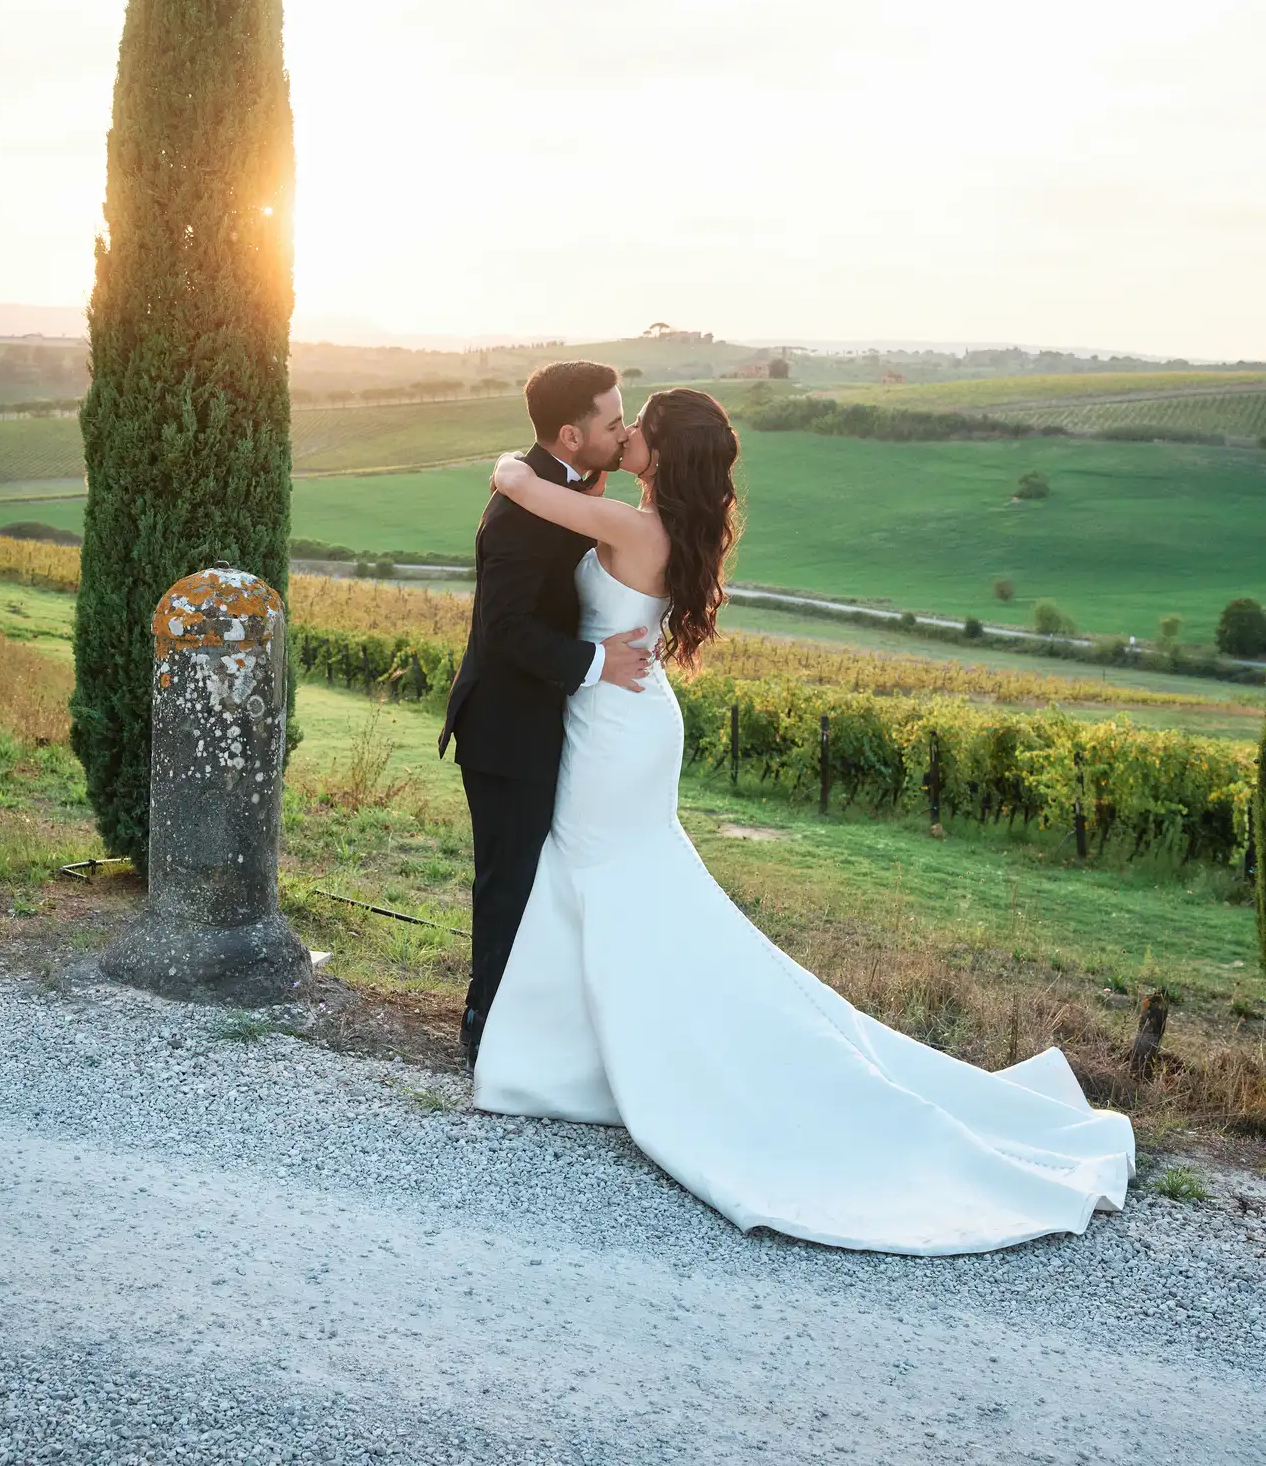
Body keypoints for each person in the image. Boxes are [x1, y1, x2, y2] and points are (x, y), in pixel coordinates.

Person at [472, 386, 1136, 1256]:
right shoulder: (642, 519)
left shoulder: (636, 531)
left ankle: (581, 1055)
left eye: (641, 429)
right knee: (619, 882)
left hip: (617, 732)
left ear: (664, 455)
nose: (625, 433)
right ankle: (574, 1050)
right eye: (622, 422)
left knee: (609, 876)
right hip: (622, 719)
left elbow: (521, 488)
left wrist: (503, 464)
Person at [439, 362, 650, 1067]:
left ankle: (532, 1014)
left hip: (556, 723)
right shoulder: (517, 512)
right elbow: (503, 631)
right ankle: (485, 1025)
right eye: (613, 422)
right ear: (570, 433)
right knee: (510, 877)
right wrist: (598, 663)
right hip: (506, 727)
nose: (623, 434)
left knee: (544, 875)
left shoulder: (555, 484)